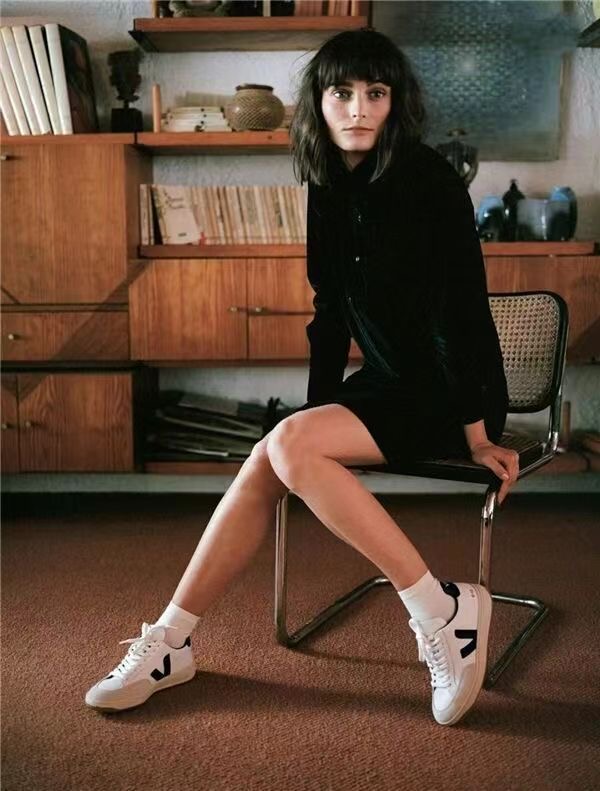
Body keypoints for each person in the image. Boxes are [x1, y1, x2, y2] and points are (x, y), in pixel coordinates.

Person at [85, 28, 519, 726]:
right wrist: (312, 424)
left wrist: (475, 434)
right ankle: (169, 641)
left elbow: (459, 318)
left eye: (375, 93)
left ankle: (442, 613)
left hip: (450, 392)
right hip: (386, 384)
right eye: (341, 93)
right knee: (275, 453)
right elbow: (330, 311)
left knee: (287, 446)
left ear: (396, 103)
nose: (358, 109)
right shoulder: (327, 180)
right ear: (318, 101)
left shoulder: (430, 181)